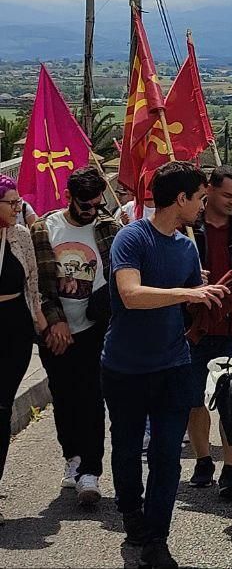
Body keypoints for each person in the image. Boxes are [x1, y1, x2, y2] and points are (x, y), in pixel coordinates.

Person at [102, 160, 228, 568]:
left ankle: (157, 536)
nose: (202, 206)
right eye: (199, 198)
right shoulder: (131, 238)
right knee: (125, 450)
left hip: (173, 364)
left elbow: (193, 299)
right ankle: (131, 515)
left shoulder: (188, 245)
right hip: (124, 367)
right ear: (181, 199)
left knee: (166, 455)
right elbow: (131, 294)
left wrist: (212, 296)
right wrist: (186, 294)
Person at [32, 167, 120, 506]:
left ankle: (91, 471)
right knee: (64, 396)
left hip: (95, 325)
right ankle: (72, 456)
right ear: (69, 198)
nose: (91, 212)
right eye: (84, 205)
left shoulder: (110, 229)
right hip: (54, 328)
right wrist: (55, 323)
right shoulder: (45, 228)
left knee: (92, 397)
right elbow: (38, 280)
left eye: (96, 205)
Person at [187, 166, 232, 501]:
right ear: (209, 190)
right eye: (227, 195)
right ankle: (203, 460)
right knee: (194, 399)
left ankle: (230, 469)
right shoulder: (188, 228)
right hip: (194, 328)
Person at [0, 174, 48, 523]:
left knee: (2, 407)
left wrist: (40, 321)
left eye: (19, 203)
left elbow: (32, 281)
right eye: (11, 203)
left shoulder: (20, 236)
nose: (18, 209)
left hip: (14, 327)